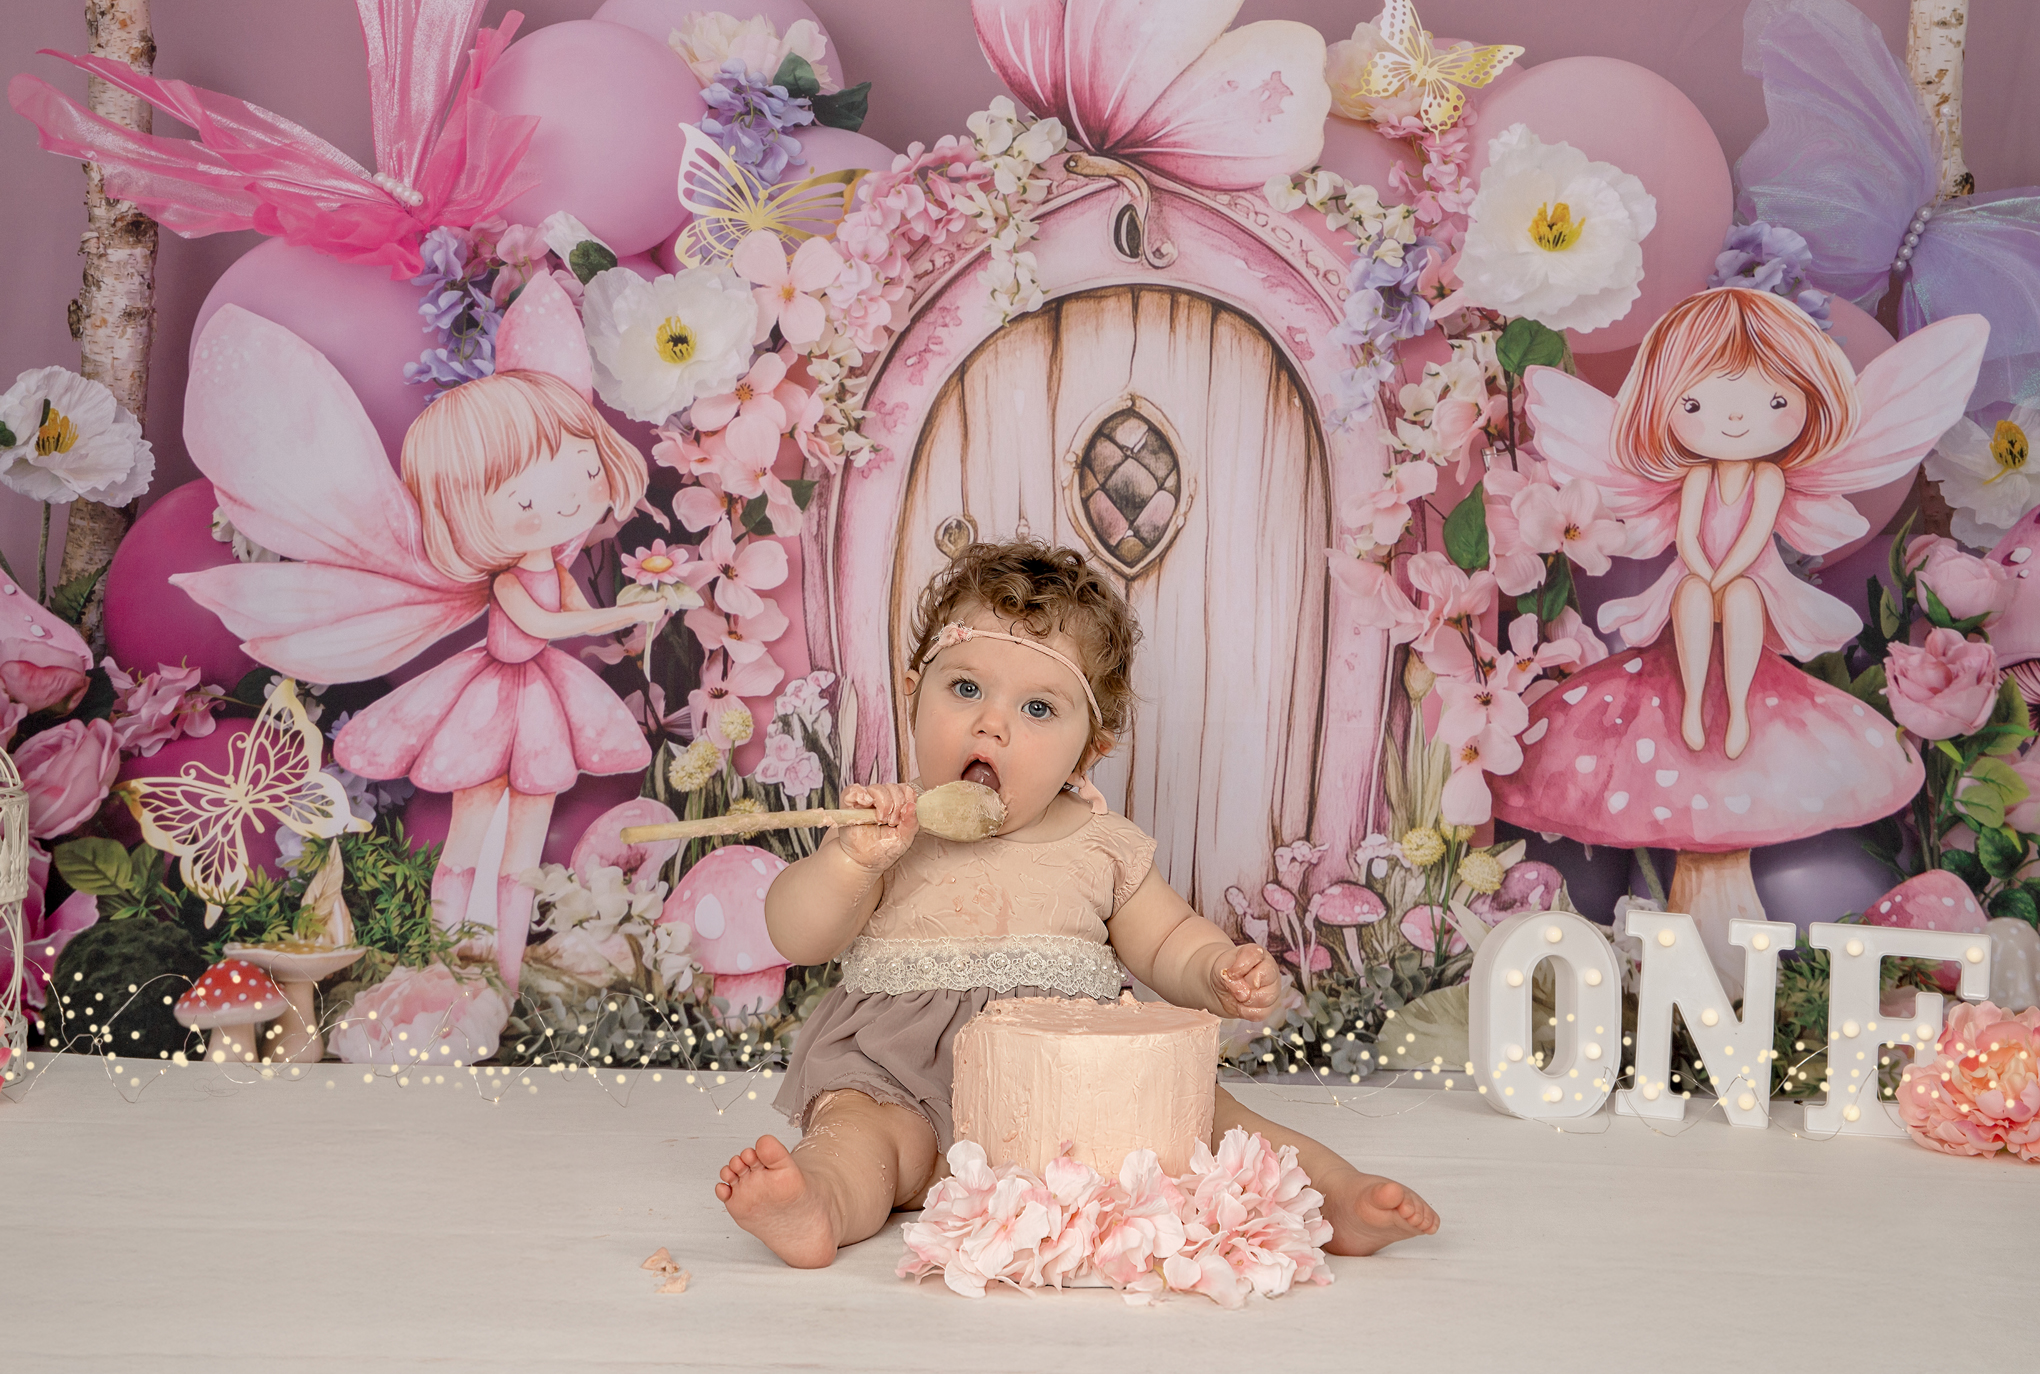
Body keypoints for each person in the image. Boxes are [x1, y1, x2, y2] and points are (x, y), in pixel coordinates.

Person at [715, 539, 1439, 1267]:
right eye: (965, 689)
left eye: (1037, 707)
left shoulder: (1103, 846)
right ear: (913, 691)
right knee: (859, 1137)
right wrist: (848, 862)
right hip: (900, 1074)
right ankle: (817, 1203)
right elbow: (796, 931)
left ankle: (1330, 1196)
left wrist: (1216, 969)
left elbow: (1166, 942)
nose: (991, 724)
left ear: (1089, 749)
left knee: (1207, 1119)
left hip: (1078, 1081)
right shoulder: (887, 835)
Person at [173, 305, 664, 991]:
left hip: (541, 703)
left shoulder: (550, 565)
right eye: (523, 502)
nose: (566, 502)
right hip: (494, 701)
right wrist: (631, 607)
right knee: (470, 839)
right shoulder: (512, 580)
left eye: (584, 470)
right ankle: (445, 963)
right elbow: (551, 626)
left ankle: (506, 977)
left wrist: (635, 608)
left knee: (522, 846)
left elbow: (580, 617)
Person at [1529, 288, 1988, 760]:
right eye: (1694, 404)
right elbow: (1687, 534)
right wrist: (1703, 575)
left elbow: (1753, 538)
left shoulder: (1769, 476)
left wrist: (1724, 577)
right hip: (1695, 575)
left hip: (1757, 580)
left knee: (1744, 596)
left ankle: (1737, 707)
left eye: (1773, 401)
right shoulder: (1696, 478)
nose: (1733, 417)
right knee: (1688, 594)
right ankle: (1692, 705)